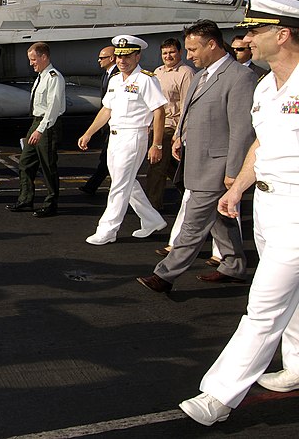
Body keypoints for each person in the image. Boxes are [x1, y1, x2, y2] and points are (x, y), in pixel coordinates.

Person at [178, 0, 299, 426]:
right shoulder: (266, 86)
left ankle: (218, 396)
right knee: (292, 296)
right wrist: (239, 188)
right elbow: (262, 143)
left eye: (254, 31)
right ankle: (297, 367)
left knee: (264, 305)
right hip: (268, 204)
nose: (245, 38)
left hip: (298, 211)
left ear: (281, 35)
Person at [136, 20, 256, 293]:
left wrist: (234, 172)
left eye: (192, 49)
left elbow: (241, 129)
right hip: (195, 158)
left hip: (217, 164)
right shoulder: (201, 75)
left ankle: (164, 275)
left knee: (193, 222)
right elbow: (188, 110)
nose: (188, 55)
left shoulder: (240, 77)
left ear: (212, 44)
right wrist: (179, 136)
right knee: (220, 219)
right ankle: (234, 265)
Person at [78, 35, 167, 245]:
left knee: (119, 185)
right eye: (118, 56)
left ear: (138, 56)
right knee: (127, 182)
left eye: (127, 56)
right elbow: (106, 109)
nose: (122, 61)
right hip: (115, 137)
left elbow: (159, 112)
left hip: (134, 136)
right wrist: (88, 132)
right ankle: (152, 219)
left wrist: (157, 144)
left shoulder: (146, 79)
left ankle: (107, 230)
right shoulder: (116, 80)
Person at [6, 42, 65, 217]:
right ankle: (25, 200)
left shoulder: (54, 77)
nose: (31, 63)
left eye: (33, 59)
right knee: (25, 163)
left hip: (48, 125)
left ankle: (51, 204)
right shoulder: (41, 77)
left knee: (48, 165)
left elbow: (53, 108)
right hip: (38, 123)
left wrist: (39, 130)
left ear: (44, 57)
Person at [145, 38, 195, 212]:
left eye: (172, 52)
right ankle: (191, 194)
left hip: (171, 126)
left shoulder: (185, 73)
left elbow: (187, 105)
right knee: (172, 168)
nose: (168, 56)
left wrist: (179, 133)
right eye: (165, 53)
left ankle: (152, 208)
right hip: (155, 125)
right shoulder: (157, 72)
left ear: (180, 53)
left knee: (156, 166)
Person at [80, 46, 116, 195]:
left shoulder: (117, 76)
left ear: (111, 58)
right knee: (107, 157)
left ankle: (92, 186)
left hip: (116, 124)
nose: (99, 60)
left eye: (102, 57)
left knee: (108, 158)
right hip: (107, 122)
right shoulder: (107, 75)